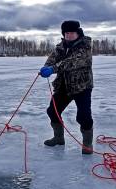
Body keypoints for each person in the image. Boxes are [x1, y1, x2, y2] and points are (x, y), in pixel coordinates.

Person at [40, 20, 93, 154]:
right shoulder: (61, 46)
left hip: (82, 86)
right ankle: (59, 138)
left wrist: (53, 69)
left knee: (84, 116)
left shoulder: (85, 46)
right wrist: (46, 67)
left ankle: (87, 144)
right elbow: (53, 58)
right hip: (64, 86)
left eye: (72, 32)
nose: (69, 35)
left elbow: (72, 62)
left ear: (78, 32)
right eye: (66, 33)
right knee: (52, 111)